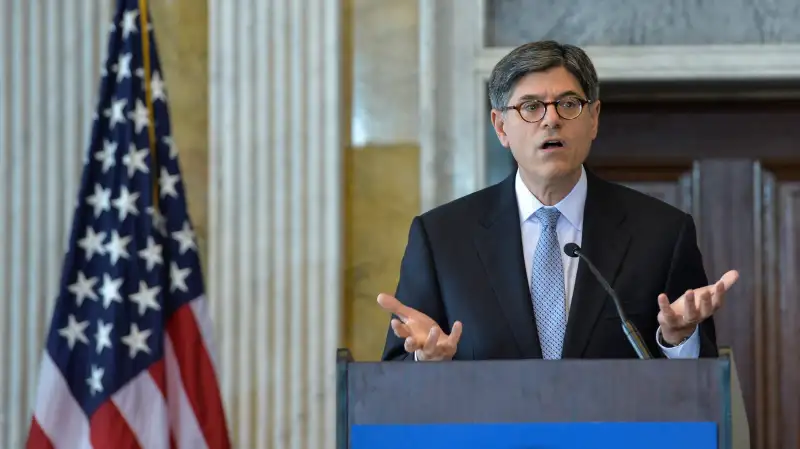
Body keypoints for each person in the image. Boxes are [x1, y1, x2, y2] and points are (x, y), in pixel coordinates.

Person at [378, 40, 739, 362]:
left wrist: (678, 340)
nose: (551, 119)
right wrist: (426, 364)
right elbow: (393, 382)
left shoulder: (662, 233)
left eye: (568, 104)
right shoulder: (442, 238)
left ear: (594, 119)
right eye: (531, 107)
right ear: (501, 127)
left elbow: (703, 386)